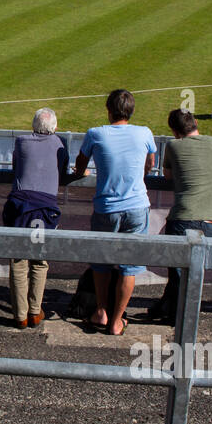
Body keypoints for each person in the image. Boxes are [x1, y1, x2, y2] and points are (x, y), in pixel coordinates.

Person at [72, 89, 156, 336]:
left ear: (109, 110)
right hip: (136, 207)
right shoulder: (145, 132)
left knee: (101, 263)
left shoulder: (96, 133)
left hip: (107, 208)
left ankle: (101, 311)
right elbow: (149, 165)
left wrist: (82, 173)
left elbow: (80, 164)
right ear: (130, 111)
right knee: (129, 267)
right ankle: (117, 320)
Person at [148, 109, 212, 325]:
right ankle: (169, 309)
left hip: (183, 217)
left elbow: (168, 176)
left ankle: (180, 318)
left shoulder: (174, 146)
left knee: (178, 273)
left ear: (174, 131)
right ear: (195, 122)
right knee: (192, 273)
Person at [4, 108, 67, 329]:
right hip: (45, 209)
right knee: (39, 260)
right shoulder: (60, 143)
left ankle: (20, 315)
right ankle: (33, 311)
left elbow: (16, 167)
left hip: (21, 206)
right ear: (54, 127)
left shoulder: (22, 141)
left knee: (19, 261)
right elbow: (62, 170)